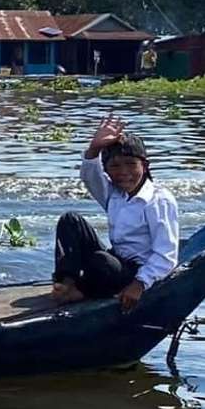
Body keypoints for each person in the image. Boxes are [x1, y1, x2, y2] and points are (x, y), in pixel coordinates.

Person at [53, 114, 180, 311]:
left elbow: (166, 255)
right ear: (107, 170)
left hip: (137, 271)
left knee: (102, 262)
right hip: (117, 261)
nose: (123, 172)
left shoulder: (158, 200)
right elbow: (89, 176)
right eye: (115, 166)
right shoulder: (115, 194)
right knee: (70, 220)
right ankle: (67, 284)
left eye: (131, 164)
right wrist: (94, 148)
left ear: (145, 167)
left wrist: (139, 285)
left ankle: (81, 292)